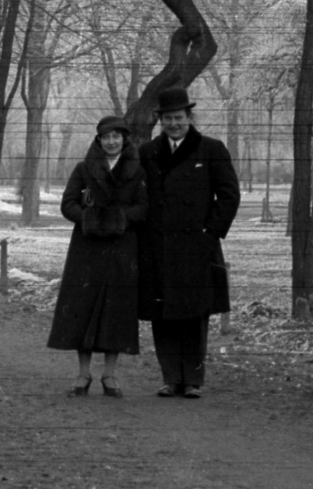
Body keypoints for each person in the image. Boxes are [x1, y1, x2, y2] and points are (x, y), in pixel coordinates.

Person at [137, 85, 240, 399]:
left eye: (179, 117)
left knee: (196, 314)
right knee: (163, 312)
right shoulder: (147, 152)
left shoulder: (211, 149)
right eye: (167, 118)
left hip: (198, 248)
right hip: (159, 248)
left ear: (189, 117)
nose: (173, 124)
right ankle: (171, 378)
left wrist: (210, 233)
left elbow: (229, 195)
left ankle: (193, 381)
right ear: (160, 120)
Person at [47, 114, 147, 397]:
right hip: (86, 249)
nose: (112, 141)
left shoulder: (138, 171)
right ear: (98, 140)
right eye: (106, 137)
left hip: (121, 249)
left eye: (117, 136)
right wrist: (89, 219)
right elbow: (67, 204)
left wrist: (118, 219)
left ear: (124, 139)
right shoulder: (83, 168)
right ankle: (82, 374)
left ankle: (110, 375)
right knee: (84, 308)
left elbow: (143, 208)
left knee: (116, 310)